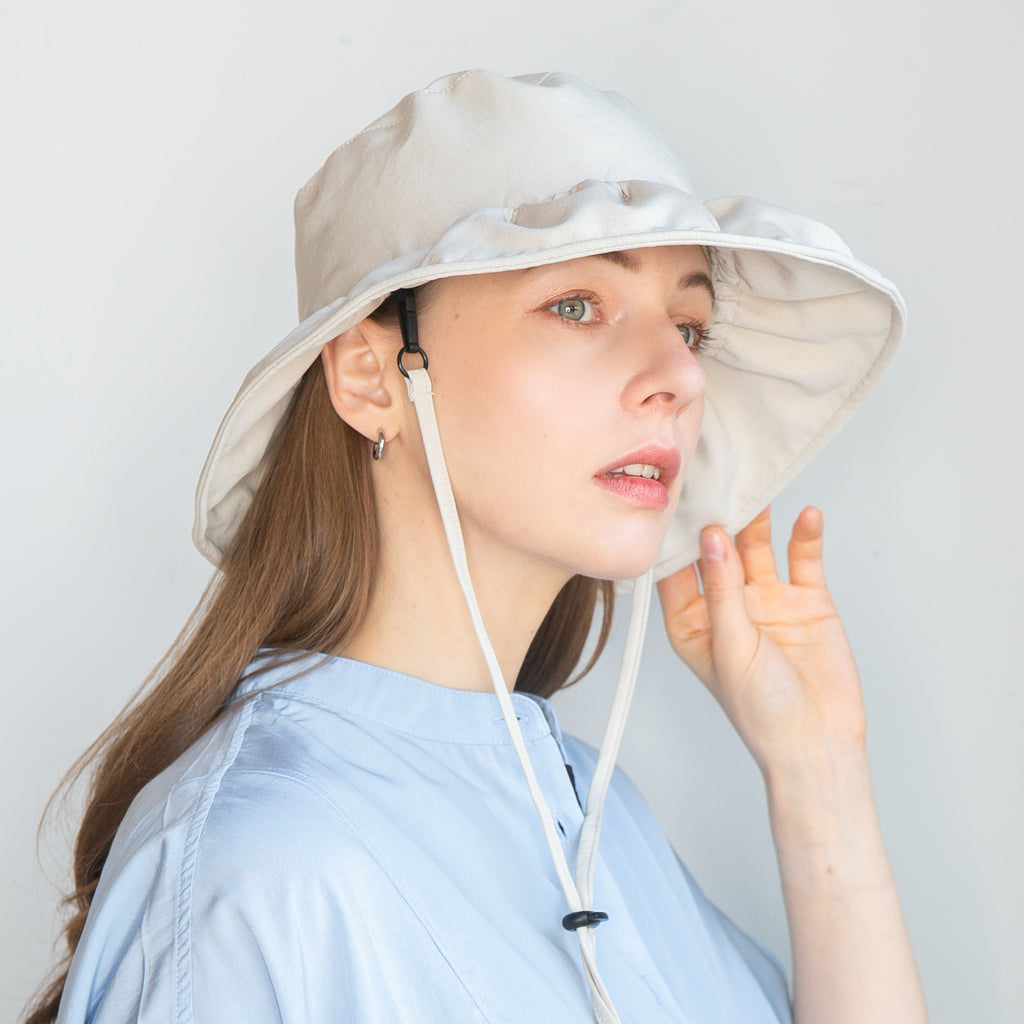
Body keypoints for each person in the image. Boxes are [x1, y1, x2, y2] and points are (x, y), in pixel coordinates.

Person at [26, 70, 928, 1024]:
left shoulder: (598, 819)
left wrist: (817, 771)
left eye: (690, 327)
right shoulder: (257, 866)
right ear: (371, 376)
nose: (679, 375)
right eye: (577, 305)